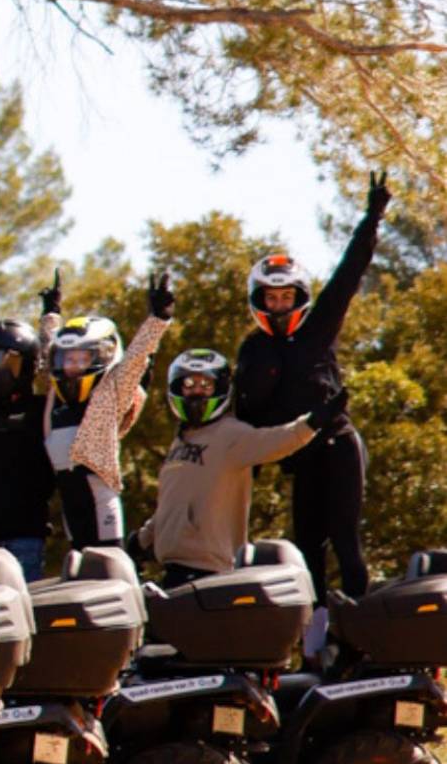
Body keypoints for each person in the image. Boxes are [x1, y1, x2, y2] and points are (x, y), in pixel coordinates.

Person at [234, 171, 389, 607]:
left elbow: (348, 274)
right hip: (298, 457)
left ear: (298, 295)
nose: (280, 304)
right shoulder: (251, 349)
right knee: (306, 549)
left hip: (338, 445)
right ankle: (316, 645)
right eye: (272, 297)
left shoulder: (319, 327)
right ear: (260, 301)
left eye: (287, 296)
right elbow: (242, 409)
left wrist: (372, 216)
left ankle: (364, 639)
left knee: (345, 538)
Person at [128, 349, 336, 585]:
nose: (196, 391)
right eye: (188, 384)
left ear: (221, 389)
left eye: (205, 385)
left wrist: (311, 423)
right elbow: (172, 503)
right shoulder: (180, 440)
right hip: (173, 568)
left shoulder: (231, 434)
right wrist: (142, 540)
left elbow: (276, 441)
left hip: (210, 572)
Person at [42, 274, 175, 548]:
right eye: (69, 359)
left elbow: (137, 358)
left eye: (83, 358)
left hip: (99, 495)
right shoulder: (56, 396)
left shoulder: (110, 391)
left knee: (110, 563)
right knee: (79, 567)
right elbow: (47, 349)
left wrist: (158, 319)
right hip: (68, 495)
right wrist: (50, 314)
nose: (73, 366)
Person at [0, 274, 64, 577]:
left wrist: (51, 317)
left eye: (6, 362)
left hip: (24, 541)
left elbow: (54, 364)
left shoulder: (39, 411)